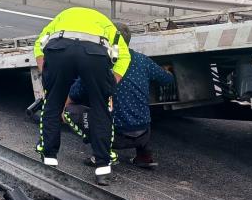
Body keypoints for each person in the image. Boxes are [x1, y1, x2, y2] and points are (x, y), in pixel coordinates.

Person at [34, 7, 131, 186]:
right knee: (101, 110)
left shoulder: (61, 17)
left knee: (52, 105)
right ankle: (102, 168)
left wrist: (46, 75)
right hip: (94, 54)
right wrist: (108, 87)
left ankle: (49, 158)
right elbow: (124, 57)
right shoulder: (106, 24)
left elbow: (39, 45)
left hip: (59, 50)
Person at [63, 23, 175, 170]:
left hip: (116, 137)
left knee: (70, 111)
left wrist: (63, 109)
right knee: (136, 108)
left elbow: (75, 92)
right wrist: (167, 71)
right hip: (143, 133)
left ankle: (102, 154)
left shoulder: (98, 63)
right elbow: (168, 79)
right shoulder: (143, 60)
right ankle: (144, 156)